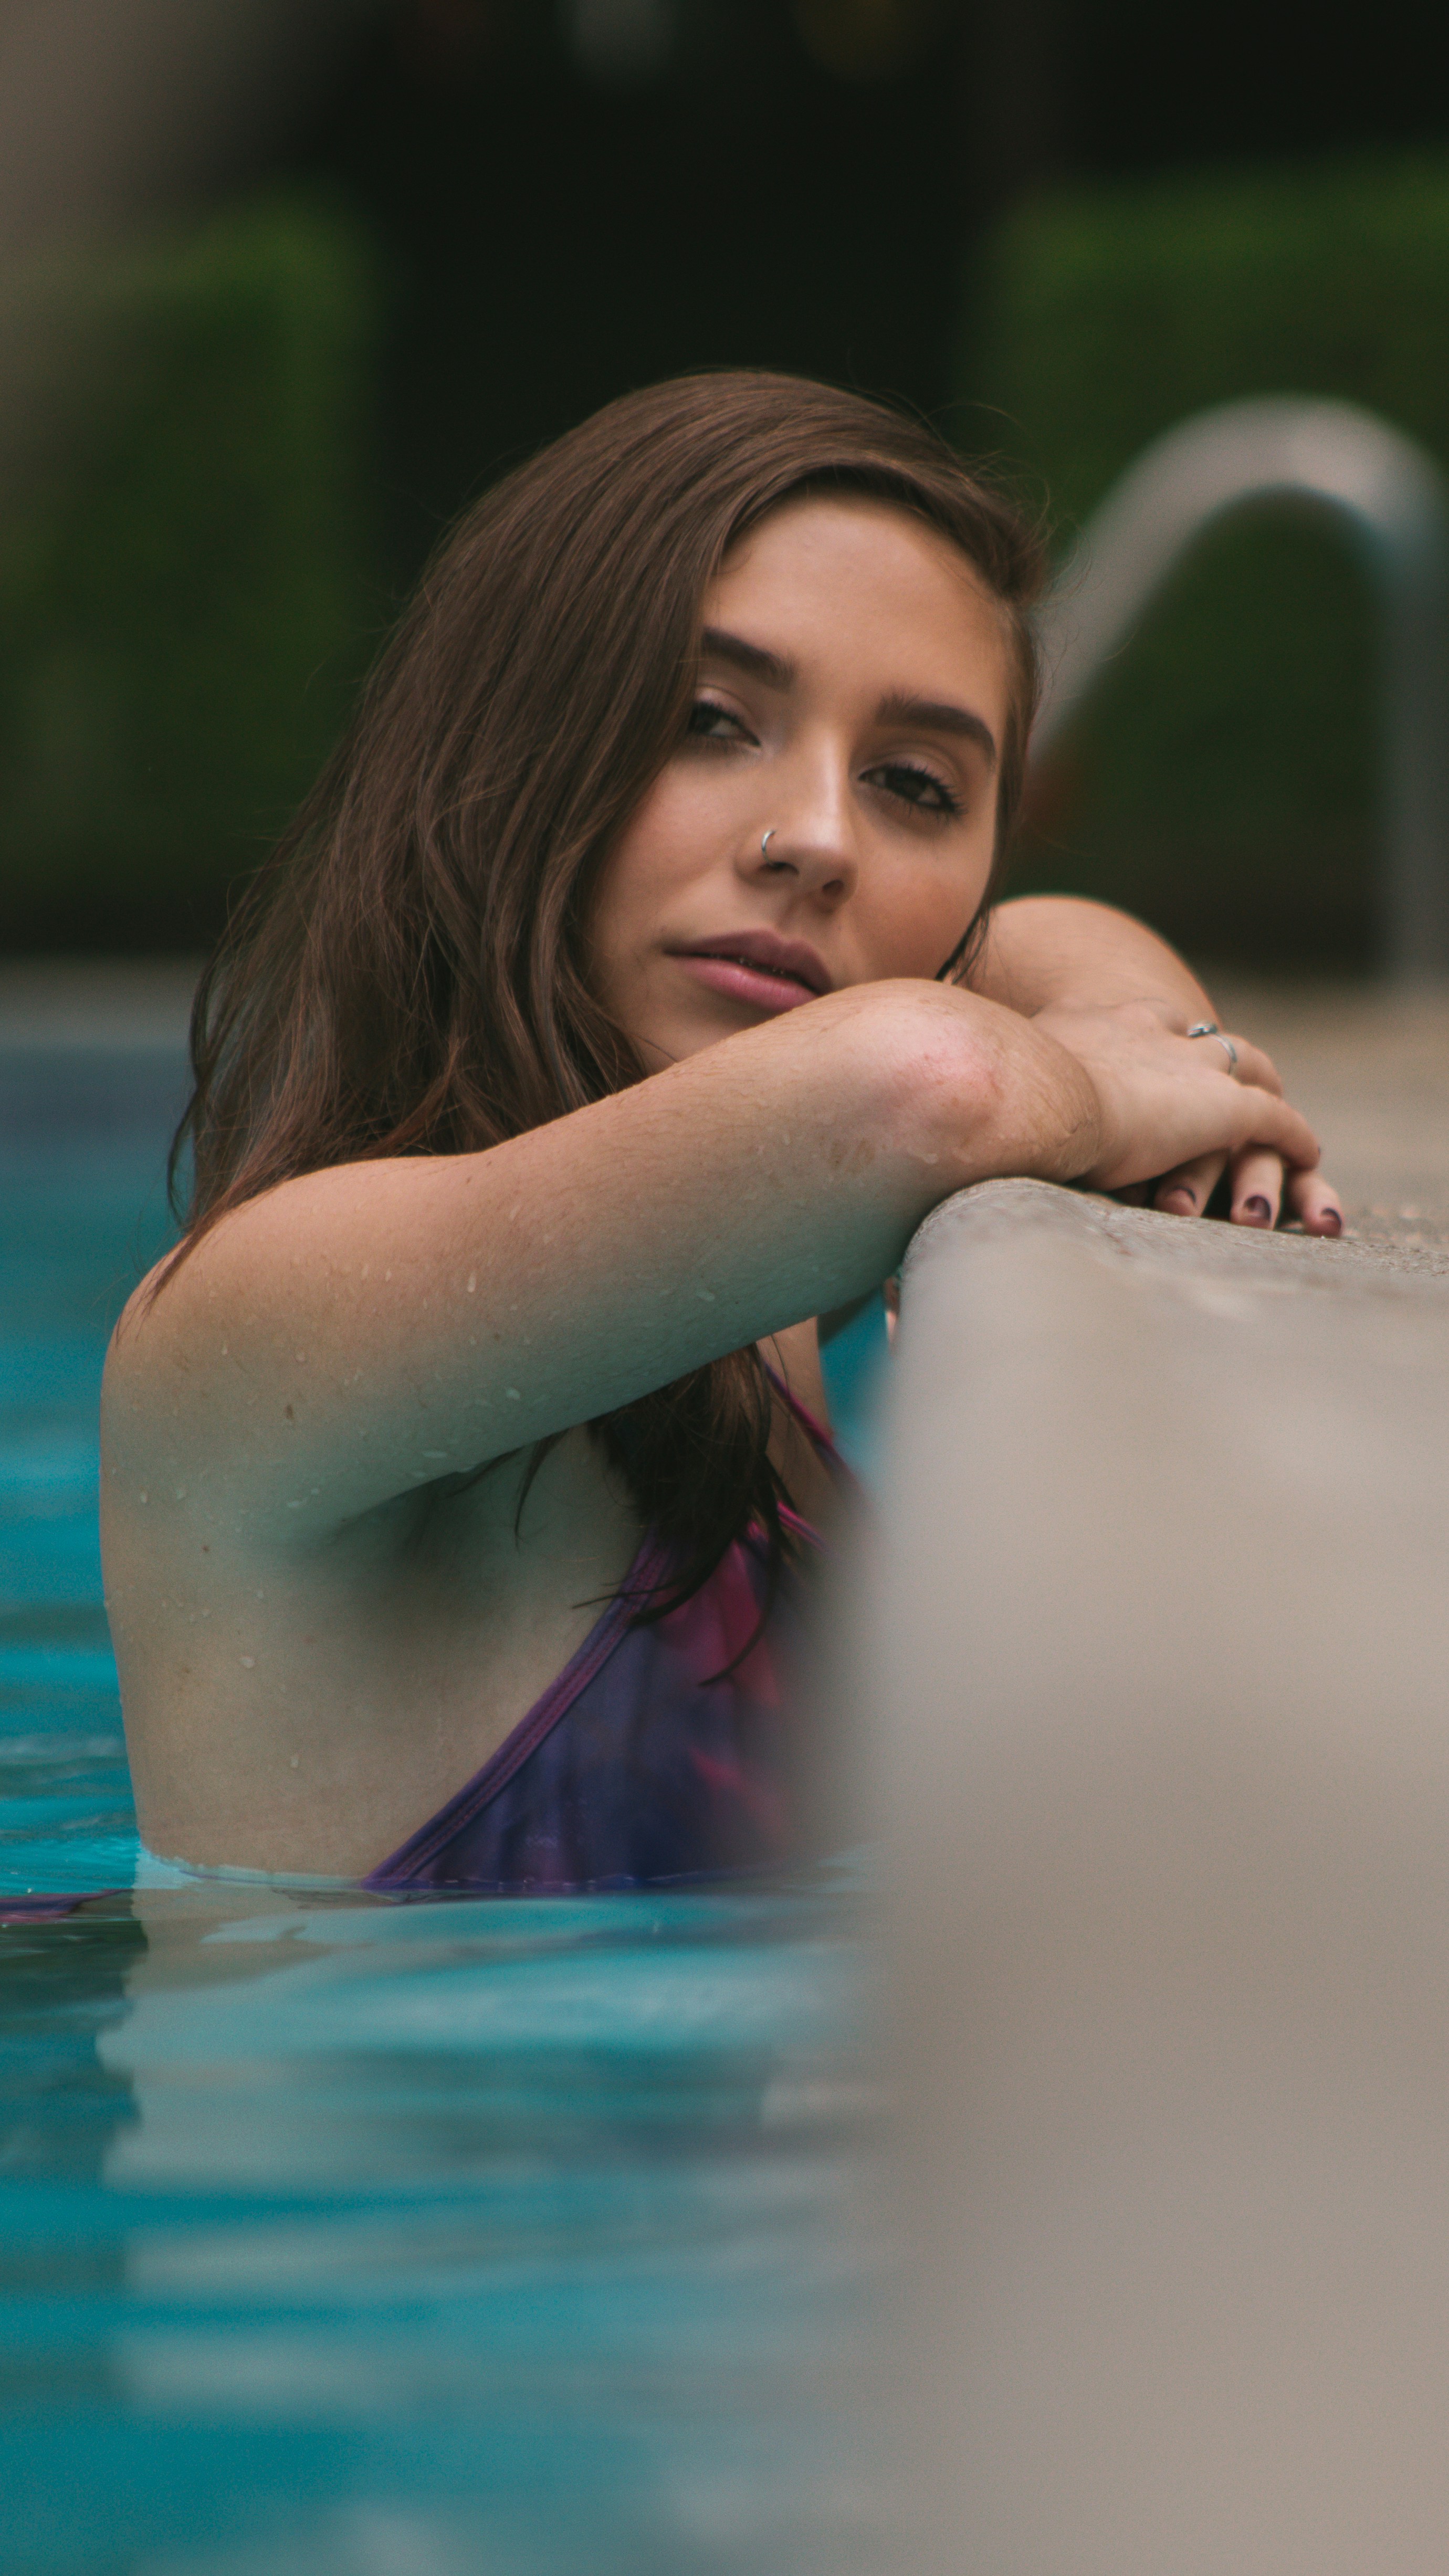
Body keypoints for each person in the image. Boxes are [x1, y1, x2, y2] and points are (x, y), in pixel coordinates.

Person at [100, 372, 1339, 1894]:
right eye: (708, 721)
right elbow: (924, 1084)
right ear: (499, 751)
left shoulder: (754, 1285)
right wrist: (1098, 1093)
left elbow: (1049, 946)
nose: (816, 838)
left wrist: (1152, 1055)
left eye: (914, 784)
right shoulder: (250, 1325)